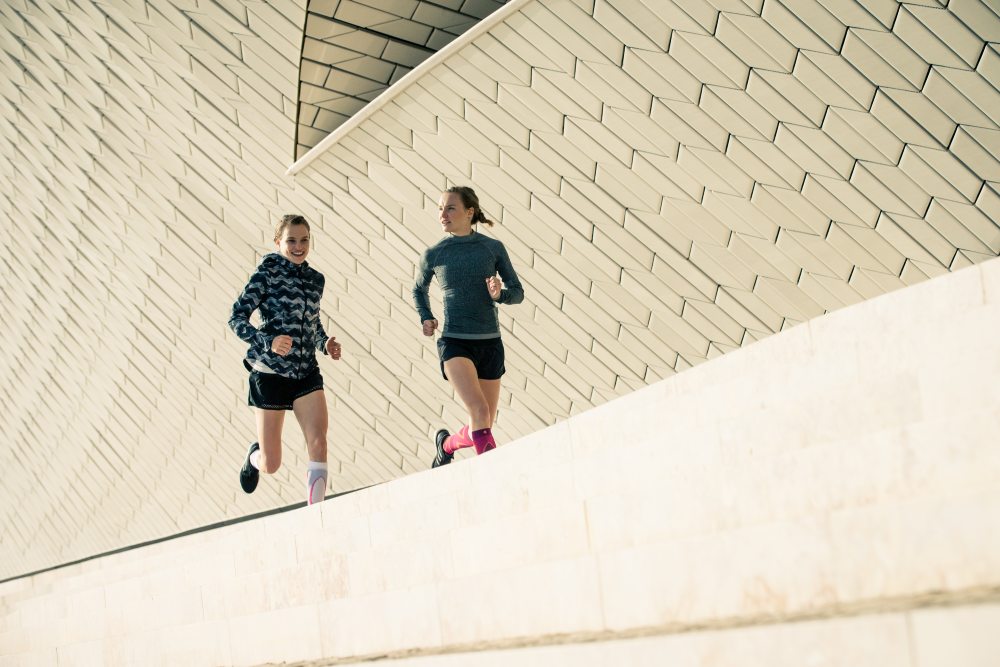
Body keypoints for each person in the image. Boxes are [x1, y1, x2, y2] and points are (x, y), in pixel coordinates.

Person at [228, 214, 342, 504]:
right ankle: (254, 457)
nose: (298, 246)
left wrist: (324, 343)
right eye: (291, 240)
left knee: (319, 442)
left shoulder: (315, 280)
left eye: (304, 240)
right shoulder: (267, 273)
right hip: (270, 373)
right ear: (278, 241)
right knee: (271, 464)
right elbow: (236, 318)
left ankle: (316, 515)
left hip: (305, 373)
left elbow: (312, 323)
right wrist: (269, 341)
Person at [412, 186, 524, 467]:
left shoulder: (492, 248)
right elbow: (418, 289)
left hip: (490, 343)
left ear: (469, 212)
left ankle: (446, 445)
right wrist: (426, 316)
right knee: (479, 410)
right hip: (455, 342)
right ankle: (491, 474)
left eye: (450, 208)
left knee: (483, 421)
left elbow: (517, 292)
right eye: (440, 208)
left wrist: (499, 295)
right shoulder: (434, 254)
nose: (443, 214)